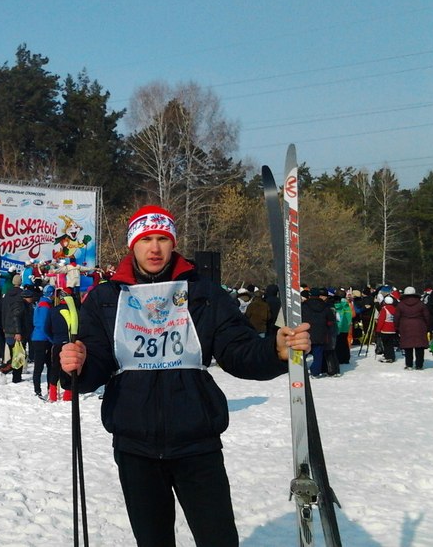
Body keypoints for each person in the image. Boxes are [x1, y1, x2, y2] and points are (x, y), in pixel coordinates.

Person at [60, 205, 311, 547]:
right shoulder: (106, 297)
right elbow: (96, 361)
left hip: (196, 441)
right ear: (132, 244)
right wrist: (79, 362)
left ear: (173, 242)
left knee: (218, 539)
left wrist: (275, 351)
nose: (155, 247)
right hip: (136, 445)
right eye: (146, 238)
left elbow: (237, 351)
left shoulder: (203, 293)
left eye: (162, 238)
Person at [394, 286, 431, 370]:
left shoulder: (401, 304)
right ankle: (419, 365)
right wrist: (427, 326)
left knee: (408, 347)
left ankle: (409, 364)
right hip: (420, 326)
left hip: (405, 326)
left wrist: (396, 327)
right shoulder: (421, 304)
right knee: (419, 347)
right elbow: (427, 316)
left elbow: (396, 317)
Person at [376, 295, 398, 363]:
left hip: (385, 329)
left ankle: (388, 356)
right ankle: (391, 356)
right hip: (392, 329)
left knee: (386, 344)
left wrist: (378, 329)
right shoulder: (395, 309)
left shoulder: (384, 309)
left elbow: (381, 320)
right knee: (390, 344)